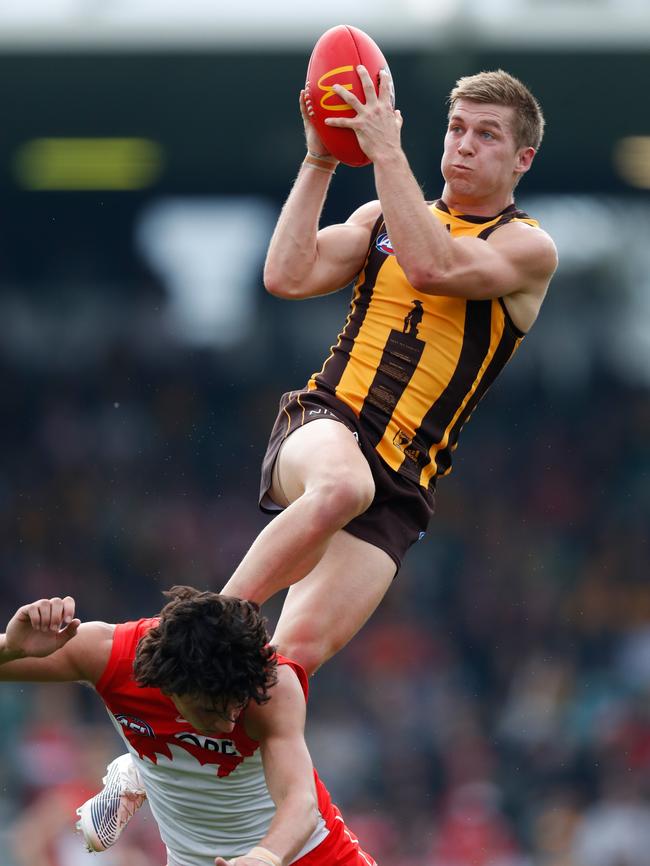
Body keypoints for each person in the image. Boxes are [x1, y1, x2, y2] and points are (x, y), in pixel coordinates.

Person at [219, 67, 558, 676]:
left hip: (404, 479)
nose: (464, 144)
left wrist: (384, 151)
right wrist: (319, 161)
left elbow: (435, 266)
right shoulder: (379, 218)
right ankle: (210, 625)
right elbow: (287, 276)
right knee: (344, 487)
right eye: (457, 128)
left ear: (522, 159)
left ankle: (170, 762)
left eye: (487, 135)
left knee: (285, 669)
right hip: (329, 419)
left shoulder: (527, 247)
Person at [0, 592, 376, 866]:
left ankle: (140, 772)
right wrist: (12, 649)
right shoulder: (106, 655)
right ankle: (141, 770)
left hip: (305, 854)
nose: (230, 721)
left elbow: (300, 802)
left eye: (236, 703)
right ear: (170, 689)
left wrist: (262, 858)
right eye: (212, 709)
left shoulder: (269, 687)